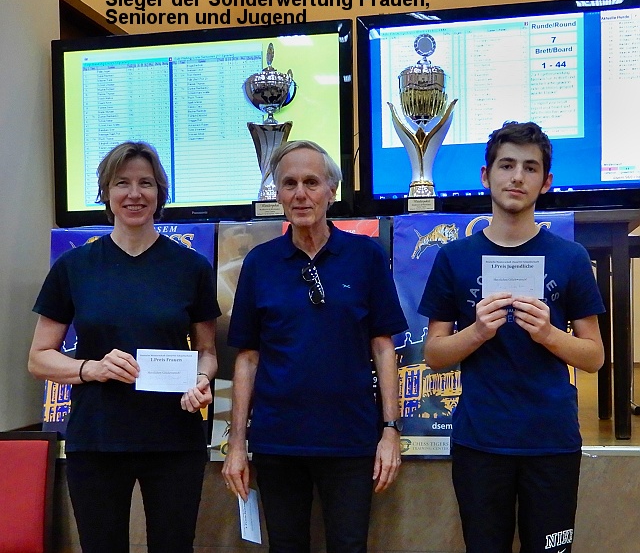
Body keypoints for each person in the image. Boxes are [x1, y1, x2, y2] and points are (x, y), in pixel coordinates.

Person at [418, 121, 605, 553]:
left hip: (551, 440)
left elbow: (594, 356)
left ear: (546, 181)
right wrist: (478, 332)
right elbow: (435, 354)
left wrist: (549, 334)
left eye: (530, 167)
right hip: (480, 440)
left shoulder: (570, 257)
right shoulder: (455, 257)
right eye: (506, 165)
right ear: (486, 176)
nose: (517, 177)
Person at [28, 141, 220, 553]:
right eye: (122, 183)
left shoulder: (191, 267)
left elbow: (207, 352)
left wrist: (202, 380)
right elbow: (39, 358)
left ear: (160, 193)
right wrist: (91, 369)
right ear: (106, 193)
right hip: (97, 440)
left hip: (174, 440)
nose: (134, 194)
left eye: (145, 183)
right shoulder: (75, 267)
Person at [222, 140, 408, 553]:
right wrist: (236, 445)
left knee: (348, 545)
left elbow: (383, 348)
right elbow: (247, 359)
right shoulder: (260, 263)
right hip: (277, 441)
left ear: (331, 191)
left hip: (350, 439)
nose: (300, 194)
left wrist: (390, 431)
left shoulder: (365, 256)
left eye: (311, 182)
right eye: (289, 184)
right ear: (277, 193)